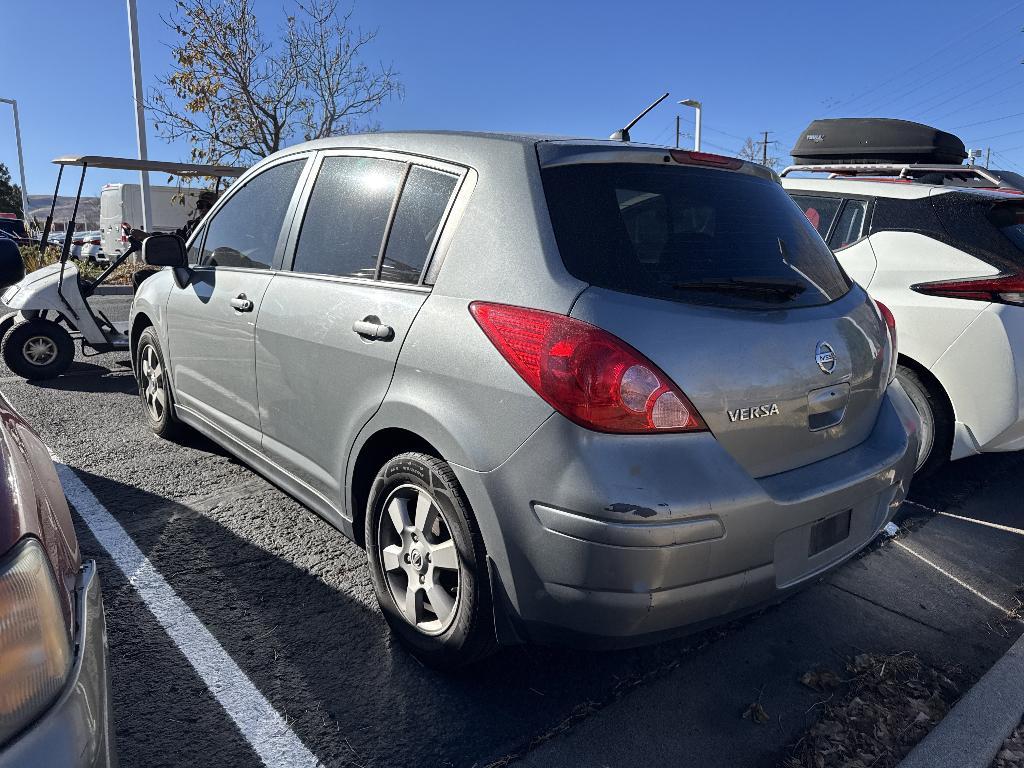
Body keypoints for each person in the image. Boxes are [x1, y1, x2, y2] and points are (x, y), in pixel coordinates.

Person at [126, 189, 218, 243]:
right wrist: (148, 236)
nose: (204, 209)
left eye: (209, 206)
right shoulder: (192, 226)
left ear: (216, 208)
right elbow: (174, 238)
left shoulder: (221, 228)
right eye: (200, 205)